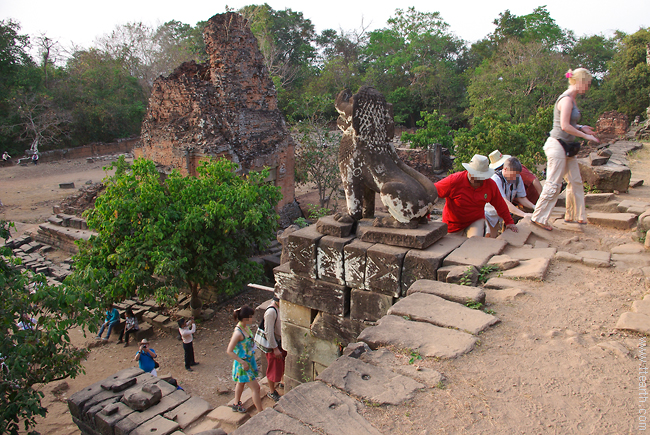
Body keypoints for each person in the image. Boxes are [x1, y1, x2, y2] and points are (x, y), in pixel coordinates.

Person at [531, 68, 600, 231]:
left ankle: (575, 215)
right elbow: (564, 126)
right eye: (587, 84)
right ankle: (538, 217)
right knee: (554, 184)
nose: (588, 88)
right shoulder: (567, 100)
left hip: (567, 147)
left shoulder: (572, 99)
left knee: (575, 180)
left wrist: (582, 128)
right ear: (580, 82)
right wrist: (585, 136)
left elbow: (571, 123)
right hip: (557, 145)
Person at [434, 154, 518, 238]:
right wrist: (426, 214)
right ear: (469, 172)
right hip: (453, 223)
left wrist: (509, 222)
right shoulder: (454, 181)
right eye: (475, 175)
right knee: (452, 247)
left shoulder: (490, 185)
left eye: (481, 177)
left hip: (475, 220)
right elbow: (432, 192)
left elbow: (500, 204)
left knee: (475, 242)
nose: (478, 179)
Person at [485, 157, 537, 238]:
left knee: (494, 237)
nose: (514, 178)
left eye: (516, 175)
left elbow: (521, 198)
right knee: (488, 236)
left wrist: (535, 207)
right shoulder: (496, 179)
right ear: (505, 169)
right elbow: (504, 203)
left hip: (501, 213)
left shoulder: (517, 178)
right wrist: (524, 214)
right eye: (513, 175)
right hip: (489, 213)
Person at [226, 305, 263, 414]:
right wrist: (242, 362)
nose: (253, 319)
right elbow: (229, 350)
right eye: (251, 317)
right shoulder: (238, 333)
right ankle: (261, 411)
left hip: (248, 361)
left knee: (241, 383)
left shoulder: (245, 327)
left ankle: (236, 403)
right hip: (243, 365)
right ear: (246, 318)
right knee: (256, 388)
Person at [263, 296, 285, 402]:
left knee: (281, 365)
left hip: (280, 342)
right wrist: (275, 348)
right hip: (274, 344)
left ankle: (282, 381)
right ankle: (272, 391)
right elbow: (268, 332)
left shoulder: (279, 308)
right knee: (273, 368)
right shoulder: (270, 312)